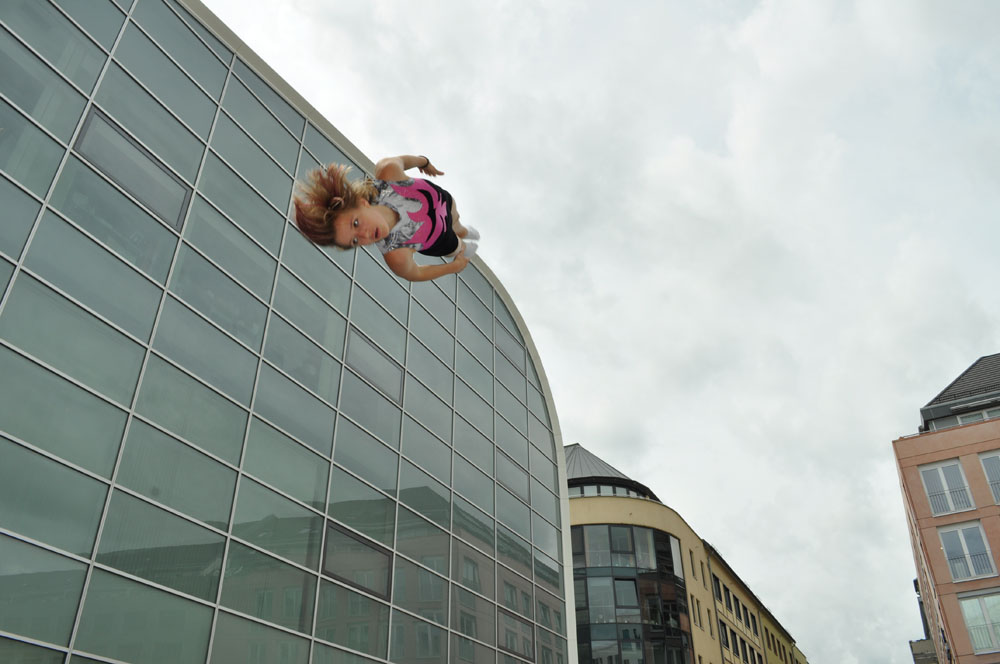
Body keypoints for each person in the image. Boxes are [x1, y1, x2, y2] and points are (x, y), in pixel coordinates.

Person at [293, 155, 479, 282]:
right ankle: (465, 245)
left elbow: (403, 161)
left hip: (443, 202)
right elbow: (415, 273)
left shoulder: (388, 173)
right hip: (440, 240)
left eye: (356, 223)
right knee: (460, 247)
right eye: (355, 241)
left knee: (458, 226)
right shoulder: (396, 254)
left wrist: (424, 162)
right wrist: (453, 267)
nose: (364, 235)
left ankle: (464, 230)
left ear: (362, 203)